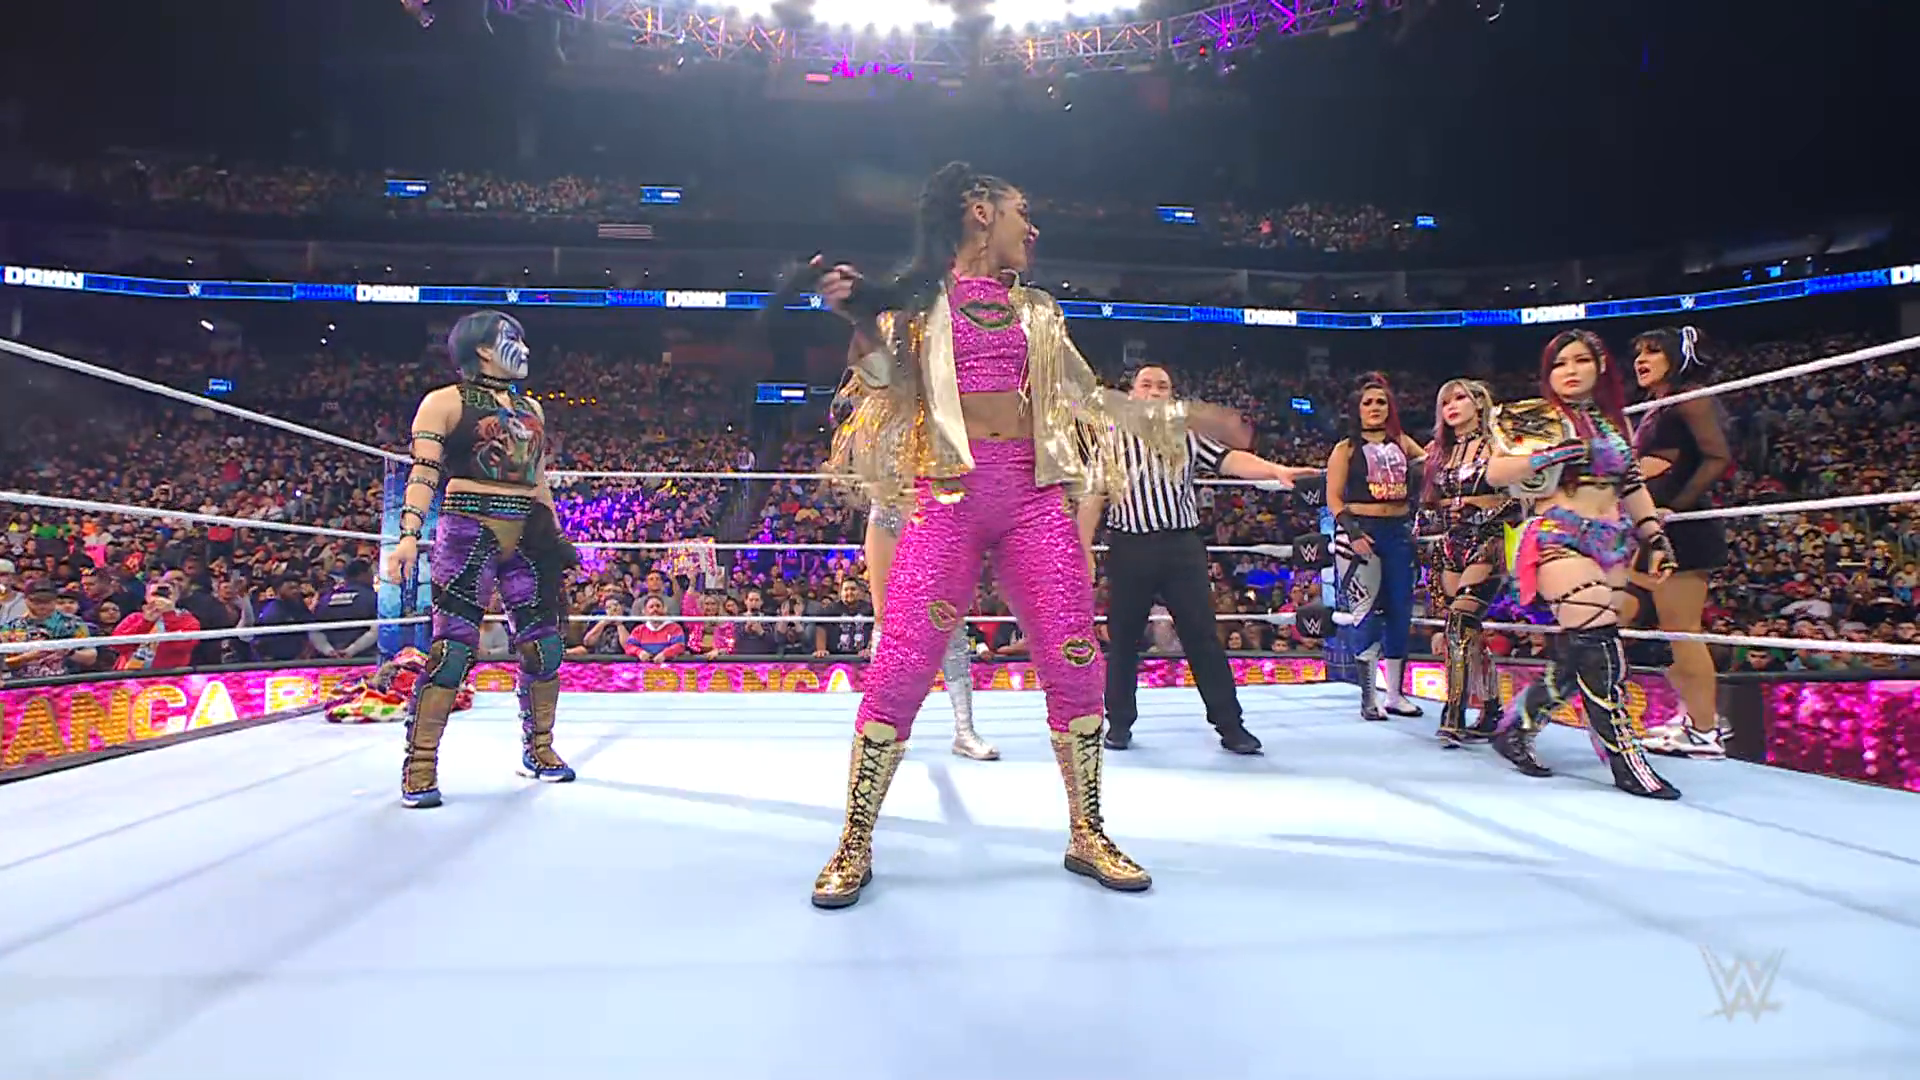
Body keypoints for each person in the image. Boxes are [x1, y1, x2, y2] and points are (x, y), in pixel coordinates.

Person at [813, 161, 1252, 908]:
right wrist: (857, 317)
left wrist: (1185, 418)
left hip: (1033, 499)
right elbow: (882, 379)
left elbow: (1091, 398)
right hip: (948, 498)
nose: (1034, 226)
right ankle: (854, 842)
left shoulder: (1040, 313)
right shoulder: (922, 304)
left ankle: (1089, 832)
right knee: (900, 667)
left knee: (1076, 661)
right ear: (980, 211)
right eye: (1023, 210)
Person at [386, 310, 579, 809]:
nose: (525, 349)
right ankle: (419, 764)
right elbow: (423, 471)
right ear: (484, 349)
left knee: (545, 646)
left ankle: (539, 748)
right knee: (453, 648)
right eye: (513, 339)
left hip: (528, 530)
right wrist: (408, 536)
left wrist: (556, 537)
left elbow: (538, 478)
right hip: (468, 527)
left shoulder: (532, 408)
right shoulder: (444, 402)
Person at [1485, 329, 1681, 799]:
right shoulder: (1540, 415)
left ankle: (1517, 725)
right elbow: (1496, 472)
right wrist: (1549, 455)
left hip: (1612, 541)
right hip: (1558, 533)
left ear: (1600, 366)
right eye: (1560, 364)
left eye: (1580, 360)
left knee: (1585, 648)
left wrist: (1655, 537)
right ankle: (1624, 757)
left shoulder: (1614, 423)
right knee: (1599, 643)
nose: (1570, 371)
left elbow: (1631, 484)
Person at [1084, 363, 1317, 754]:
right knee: (1123, 639)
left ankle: (1230, 725)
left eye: (1162, 386)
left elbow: (1230, 459)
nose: (1154, 391)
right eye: (1147, 384)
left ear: (1170, 396)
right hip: (1129, 547)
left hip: (1181, 547)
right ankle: (1119, 723)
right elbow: (1092, 498)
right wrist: (1082, 548)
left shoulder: (1186, 437)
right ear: (1133, 394)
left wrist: (1276, 469)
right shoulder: (1109, 441)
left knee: (1203, 637)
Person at [1625, 327, 1733, 759]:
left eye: (1653, 351)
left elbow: (1717, 456)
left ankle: (1705, 730)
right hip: (1653, 529)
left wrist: (1679, 506)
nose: (1641, 359)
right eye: (1639, 352)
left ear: (1677, 358)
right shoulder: (1657, 406)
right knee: (1636, 621)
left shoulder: (1690, 397)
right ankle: (1695, 717)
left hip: (1682, 529)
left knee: (1682, 630)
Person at [1420, 378, 1517, 746]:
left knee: (1460, 622)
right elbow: (1429, 504)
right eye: (1445, 401)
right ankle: (1491, 709)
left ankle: (1453, 713)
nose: (1452, 406)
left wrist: (1481, 511)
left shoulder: (1499, 443)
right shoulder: (1438, 452)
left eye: (1460, 398)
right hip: (1451, 543)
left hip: (1489, 539)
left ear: (1478, 403)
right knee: (1466, 632)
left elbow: (1520, 495)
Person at [1325, 373, 1428, 721]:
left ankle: (1395, 695)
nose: (1374, 408)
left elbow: (1433, 463)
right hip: (1360, 532)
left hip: (1397, 531)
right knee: (1365, 613)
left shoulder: (1403, 443)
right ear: (1357, 409)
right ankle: (1369, 698)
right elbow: (1333, 498)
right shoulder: (1345, 449)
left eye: (1381, 402)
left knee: (1400, 611)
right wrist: (1353, 532)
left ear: (1390, 408)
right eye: (1367, 402)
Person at [863, 497, 997, 759]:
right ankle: (883, 727)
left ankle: (965, 731)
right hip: (892, 511)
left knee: (950, 622)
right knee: (885, 619)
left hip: (942, 516)